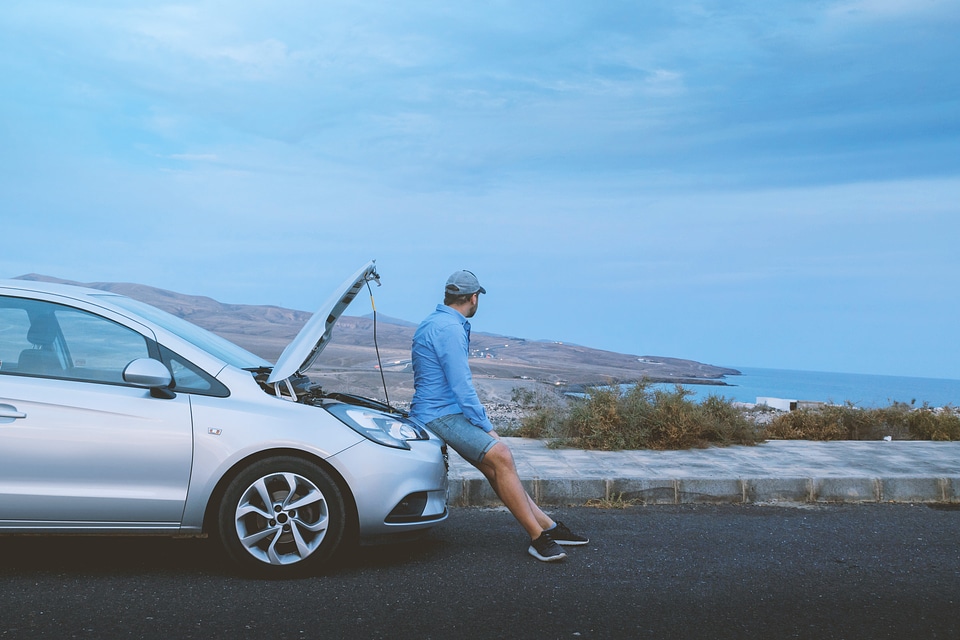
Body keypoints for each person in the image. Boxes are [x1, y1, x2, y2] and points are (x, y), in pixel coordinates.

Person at [410, 269, 588, 562]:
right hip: (438, 414)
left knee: (495, 466)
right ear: (473, 297)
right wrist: (486, 426)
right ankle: (537, 538)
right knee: (501, 454)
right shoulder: (449, 328)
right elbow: (461, 385)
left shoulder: (436, 321)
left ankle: (548, 526)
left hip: (441, 410)